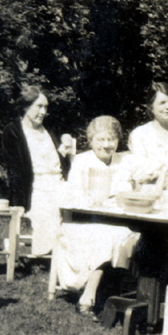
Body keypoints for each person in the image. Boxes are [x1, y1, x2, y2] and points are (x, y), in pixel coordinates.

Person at [52, 116, 140, 314]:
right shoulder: (82, 161)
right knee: (109, 237)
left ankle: (96, 293)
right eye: (100, 140)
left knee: (125, 235)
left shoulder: (125, 161)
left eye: (111, 139)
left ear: (118, 140)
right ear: (91, 141)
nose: (106, 145)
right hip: (82, 222)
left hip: (116, 222)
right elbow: (75, 199)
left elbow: (147, 174)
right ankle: (89, 295)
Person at [0, 84, 76, 257]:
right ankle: (54, 253)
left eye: (45, 107)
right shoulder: (13, 132)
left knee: (80, 208)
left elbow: (65, 137)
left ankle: (69, 253)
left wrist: (66, 138)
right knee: (48, 209)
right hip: (35, 186)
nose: (43, 112)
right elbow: (14, 170)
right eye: (39, 106)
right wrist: (18, 201)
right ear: (25, 106)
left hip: (60, 182)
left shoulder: (50, 128)